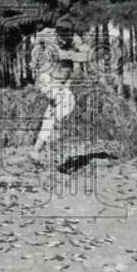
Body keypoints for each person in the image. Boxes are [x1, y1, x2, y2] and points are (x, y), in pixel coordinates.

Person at [29, 14, 91, 165]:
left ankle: (36, 151)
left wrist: (70, 54)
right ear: (56, 32)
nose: (63, 40)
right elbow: (37, 41)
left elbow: (88, 54)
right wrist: (35, 57)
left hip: (63, 82)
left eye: (66, 37)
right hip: (47, 79)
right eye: (60, 36)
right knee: (67, 101)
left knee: (50, 117)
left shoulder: (75, 39)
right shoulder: (47, 34)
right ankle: (55, 134)